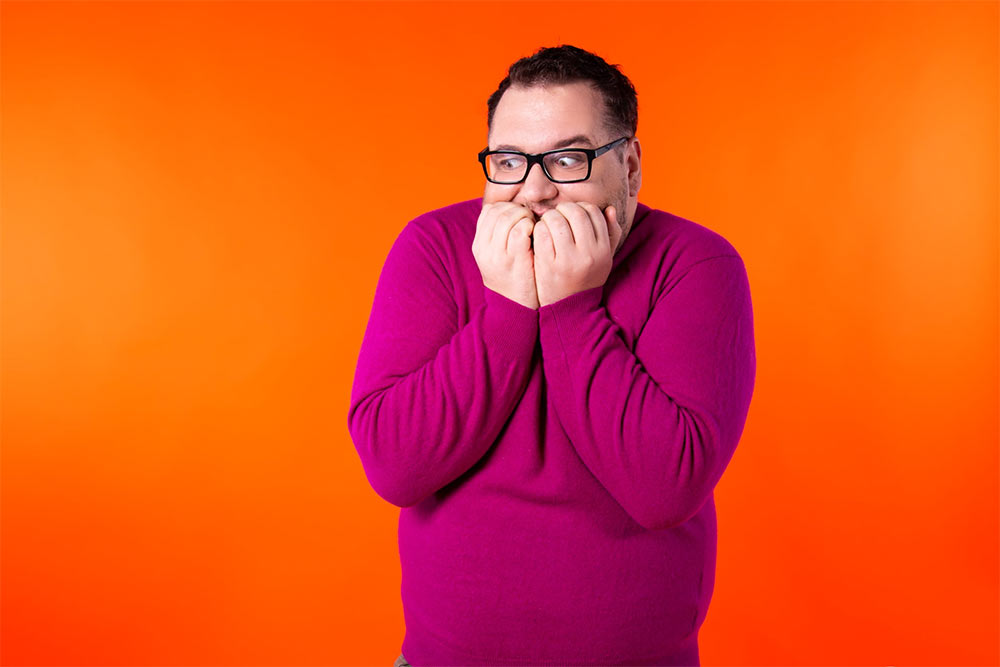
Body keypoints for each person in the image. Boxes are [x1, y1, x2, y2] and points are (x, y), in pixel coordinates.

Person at [348, 44, 756, 667]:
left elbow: (666, 489)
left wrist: (571, 305)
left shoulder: (695, 263)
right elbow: (395, 467)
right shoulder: (431, 246)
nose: (534, 191)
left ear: (629, 166)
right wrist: (508, 308)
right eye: (509, 161)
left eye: (567, 159)